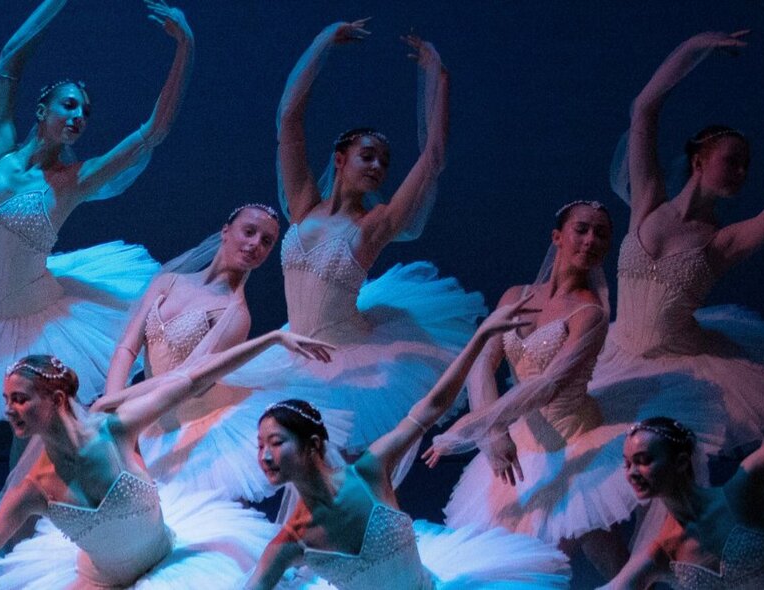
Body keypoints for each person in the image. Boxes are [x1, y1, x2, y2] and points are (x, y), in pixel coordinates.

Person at [221, 21, 486, 477]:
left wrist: (437, 77)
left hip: (345, 355)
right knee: (282, 459)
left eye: (384, 161)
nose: (379, 166)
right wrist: (321, 44)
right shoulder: (304, 205)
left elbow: (434, 156)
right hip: (292, 350)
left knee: (335, 467)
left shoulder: (374, 225)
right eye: (369, 156)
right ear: (340, 159)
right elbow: (289, 118)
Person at [0, 0, 194, 419]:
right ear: (43, 111)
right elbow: (11, 59)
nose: (79, 115)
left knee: (34, 425)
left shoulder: (72, 181)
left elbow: (153, 133)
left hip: (41, 317)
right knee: (25, 425)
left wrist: (185, 44)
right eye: (70, 105)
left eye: (85, 112)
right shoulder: (0, 153)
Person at [0, 330, 335, 590]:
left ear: (55, 400)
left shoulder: (116, 429)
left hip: (171, 564)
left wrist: (272, 339)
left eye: (20, 398)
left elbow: (193, 378)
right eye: (7, 401)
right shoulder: (34, 488)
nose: (10, 410)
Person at [595, 30, 764, 452]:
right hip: (615, 356)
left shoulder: (722, 242)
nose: (741, 172)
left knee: (662, 464)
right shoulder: (647, 201)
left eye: (746, 166)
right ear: (699, 160)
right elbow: (644, 110)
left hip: (681, 372)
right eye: (732, 161)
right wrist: (696, 47)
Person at [244, 297, 572, 590]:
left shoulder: (369, 470)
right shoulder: (290, 542)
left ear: (313, 444)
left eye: (275, 442)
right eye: (259, 446)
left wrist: (482, 336)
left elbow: (431, 406)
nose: (265, 456)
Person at [423, 202, 669, 579]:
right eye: (582, 229)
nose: (591, 240)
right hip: (524, 439)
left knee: (551, 560)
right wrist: (493, 432)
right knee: (591, 547)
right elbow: (482, 366)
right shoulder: (515, 297)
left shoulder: (590, 314)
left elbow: (545, 386)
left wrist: (466, 430)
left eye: (601, 234)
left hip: (575, 443)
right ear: (557, 237)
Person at [95, 203, 287, 502]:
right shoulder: (168, 282)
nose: (255, 245)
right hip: (143, 411)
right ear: (226, 231)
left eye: (266, 242)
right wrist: (113, 409)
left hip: (188, 428)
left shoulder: (235, 314)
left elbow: (184, 381)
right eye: (249, 232)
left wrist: (119, 408)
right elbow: (127, 347)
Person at [600, 349, 764, 589]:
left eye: (643, 460)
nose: (632, 472)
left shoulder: (739, 493)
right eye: (627, 463)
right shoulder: (663, 551)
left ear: (681, 462)